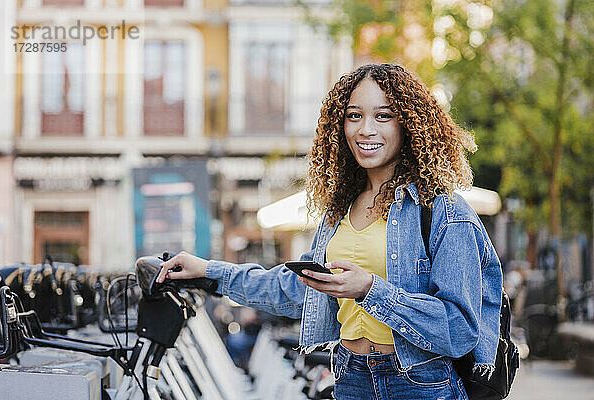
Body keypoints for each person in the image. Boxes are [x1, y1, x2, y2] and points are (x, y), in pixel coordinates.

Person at [156, 63, 503, 400]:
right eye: (354, 115)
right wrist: (208, 271)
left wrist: (369, 290)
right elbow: (296, 289)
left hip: (419, 383)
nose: (366, 129)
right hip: (350, 378)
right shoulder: (340, 210)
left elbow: (459, 330)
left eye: (383, 115)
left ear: (409, 125)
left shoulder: (445, 212)